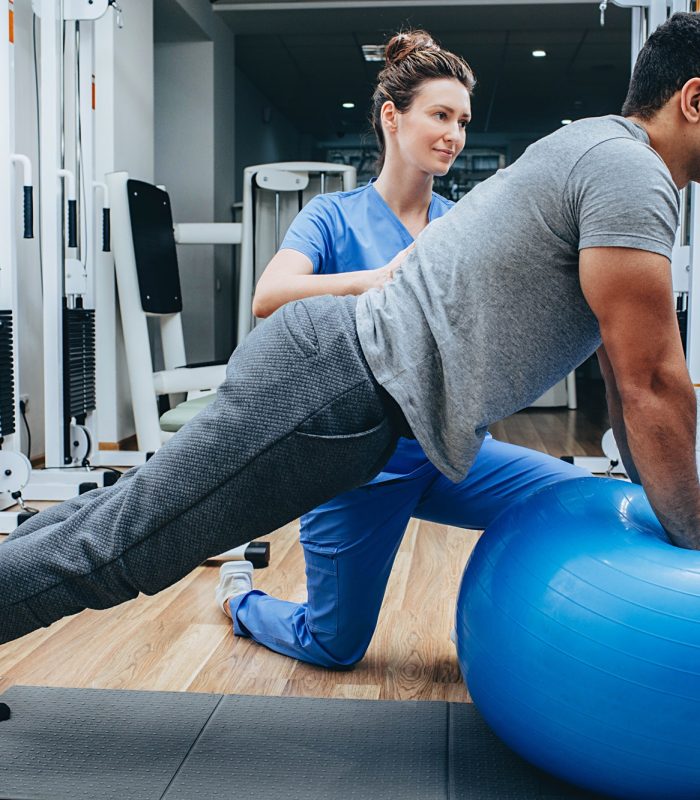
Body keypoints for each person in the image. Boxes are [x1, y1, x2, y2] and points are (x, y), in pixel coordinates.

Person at [2, 12, 699, 647]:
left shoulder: (599, 155)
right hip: (332, 386)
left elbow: (631, 385)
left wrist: (668, 519)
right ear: (692, 101)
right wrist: (693, 541)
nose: (454, 133)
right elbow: (656, 385)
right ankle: (225, 596)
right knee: (130, 547)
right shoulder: (630, 172)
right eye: (439, 115)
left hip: (366, 407)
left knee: (125, 518)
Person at [214, 30, 586, 669]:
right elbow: (269, 295)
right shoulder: (332, 216)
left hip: (448, 452)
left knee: (569, 498)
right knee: (334, 646)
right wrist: (381, 278)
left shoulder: (460, 222)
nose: (454, 135)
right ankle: (240, 599)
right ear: (393, 117)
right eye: (440, 115)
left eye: (463, 121)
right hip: (359, 467)